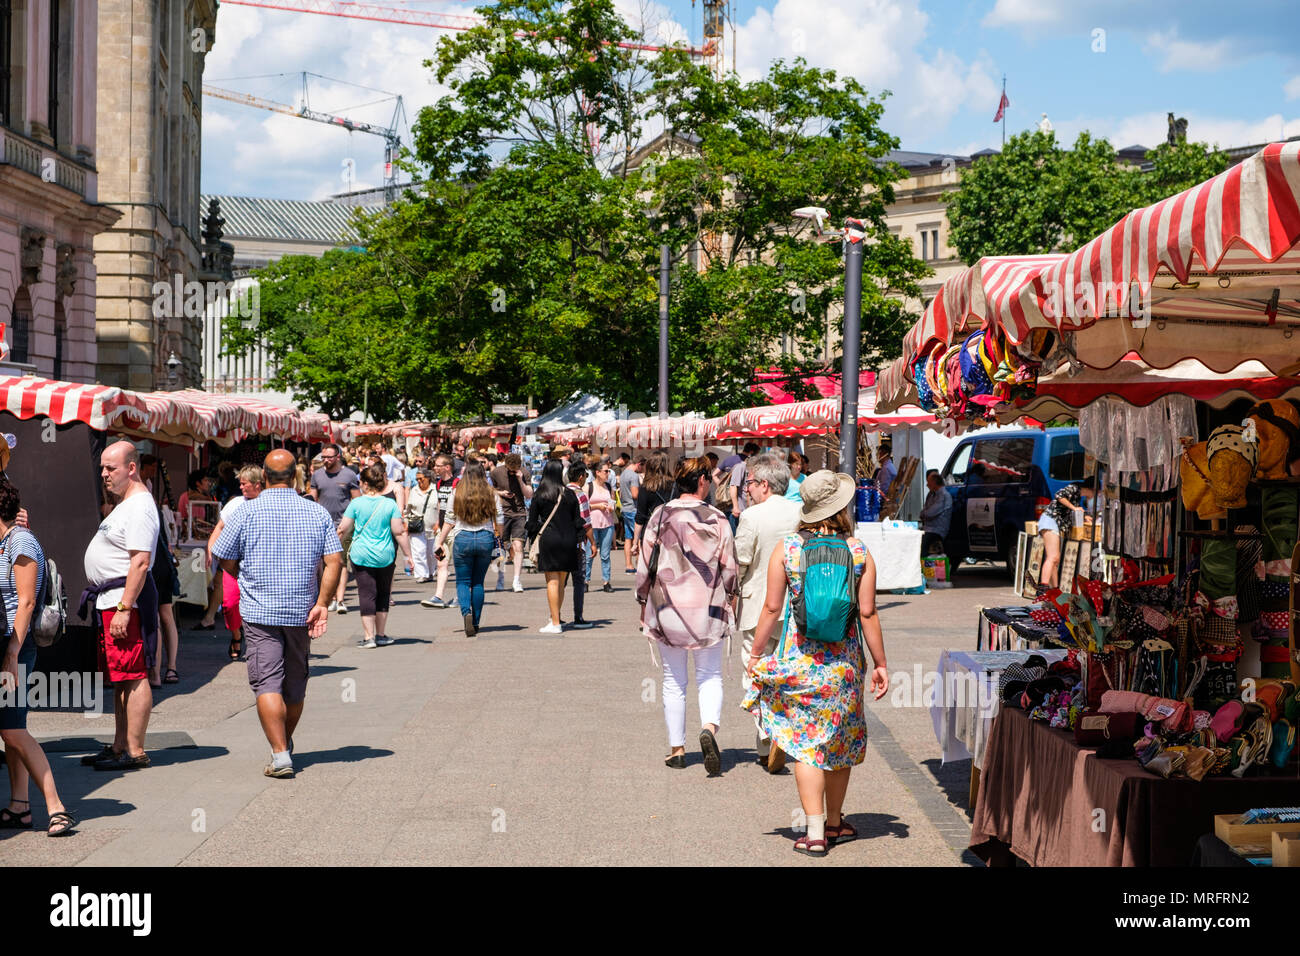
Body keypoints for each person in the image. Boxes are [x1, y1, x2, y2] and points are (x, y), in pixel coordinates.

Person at [743, 470, 890, 856]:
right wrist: (880, 663)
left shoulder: (788, 548)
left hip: (800, 660)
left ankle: (813, 832)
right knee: (838, 742)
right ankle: (836, 822)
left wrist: (757, 653)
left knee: (807, 746)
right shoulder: (858, 551)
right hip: (843, 663)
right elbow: (869, 612)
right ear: (842, 507)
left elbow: (772, 607)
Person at [212, 450, 343, 778]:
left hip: (260, 610)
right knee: (295, 682)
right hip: (302, 610)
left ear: (265, 478)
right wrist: (323, 602)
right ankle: (285, 742)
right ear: (295, 478)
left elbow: (221, 554)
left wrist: (241, 571)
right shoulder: (316, 513)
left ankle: (280, 752)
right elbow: (335, 562)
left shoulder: (246, 512)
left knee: (267, 682)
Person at [636, 457, 737, 775]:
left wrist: (642, 598)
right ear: (703, 481)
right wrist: (731, 597)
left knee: (673, 680)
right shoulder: (717, 517)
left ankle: (677, 749)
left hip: (667, 607)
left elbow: (644, 562)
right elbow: (730, 567)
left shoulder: (660, 514)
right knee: (710, 676)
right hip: (707, 608)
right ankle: (708, 727)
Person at [0, 480, 75, 835]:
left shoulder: (20, 541)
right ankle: (19, 806)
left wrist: (12, 652)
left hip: (16, 646)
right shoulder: (5, 542)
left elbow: (27, 601)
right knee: (10, 729)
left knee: (13, 729)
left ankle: (56, 806)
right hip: (8, 645)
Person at [80, 441, 158, 772]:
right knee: (120, 675)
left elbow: (140, 562)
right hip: (111, 601)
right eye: (102, 468)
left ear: (131, 468)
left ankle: (135, 750)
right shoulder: (126, 504)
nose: (104, 474)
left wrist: (125, 608)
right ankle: (118, 745)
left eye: (110, 468)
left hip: (123, 603)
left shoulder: (140, 506)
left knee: (133, 673)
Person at [733, 452, 802, 771]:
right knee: (788, 671)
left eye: (749, 483)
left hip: (757, 604)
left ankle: (766, 738)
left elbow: (741, 560)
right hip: (794, 607)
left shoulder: (752, 517)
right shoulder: (800, 512)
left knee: (755, 671)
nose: (746, 489)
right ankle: (782, 733)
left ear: (764, 484)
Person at [338, 464, 411, 648]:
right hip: (385, 554)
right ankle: (381, 634)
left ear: (364, 483)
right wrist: (408, 555)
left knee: (366, 593)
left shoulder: (356, 503)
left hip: (361, 555)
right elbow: (399, 532)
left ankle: (369, 637)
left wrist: (336, 550)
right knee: (383, 593)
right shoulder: (390, 504)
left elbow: (343, 529)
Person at [431, 463, 501, 637]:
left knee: (462, 581)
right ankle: (476, 621)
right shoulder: (491, 493)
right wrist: (500, 539)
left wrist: (440, 542)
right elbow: (499, 519)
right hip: (485, 538)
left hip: (462, 538)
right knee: (478, 582)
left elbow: (449, 519)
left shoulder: (458, 492)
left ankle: (466, 612)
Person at [206, 466, 264, 660]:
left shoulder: (267, 503)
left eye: (244, 483)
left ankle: (255, 642)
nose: (240, 487)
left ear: (257, 484)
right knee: (230, 604)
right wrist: (210, 548)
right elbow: (220, 527)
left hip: (257, 564)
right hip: (232, 563)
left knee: (257, 606)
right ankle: (236, 636)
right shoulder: (235, 503)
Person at [525, 460, 586, 633]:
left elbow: (532, 522)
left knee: (552, 581)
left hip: (550, 540)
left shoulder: (541, 494)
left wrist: (537, 532)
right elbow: (577, 520)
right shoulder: (569, 494)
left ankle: (555, 622)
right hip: (568, 540)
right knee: (561, 581)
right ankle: (554, 618)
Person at [139, 454, 180, 688]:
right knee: (165, 615)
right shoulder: (149, 496)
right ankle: (170, 667)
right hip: (162, 560)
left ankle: (155, 671)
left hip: (153, 563)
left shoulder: (140, 497)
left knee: (157, 615)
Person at [308, 443, 360, 614]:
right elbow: (313, 499)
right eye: (323, 457)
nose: (326, 460)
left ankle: (340, 600)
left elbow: (357, 501)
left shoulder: (349, 475)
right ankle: (328, 598)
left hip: (343, 524)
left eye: (329, 457)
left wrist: (353, 522)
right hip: (323, 525)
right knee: (324, 562)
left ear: (338, 457)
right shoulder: (317, 475)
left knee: (340, 560)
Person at [419, 454, 459, 609]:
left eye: (437, 465)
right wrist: (437, 522)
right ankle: (438, 596)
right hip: (442, 531)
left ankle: (459, 596)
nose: (434, 468)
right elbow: (439, 504)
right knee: (441, 563)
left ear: (447, 467)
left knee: (459, 565)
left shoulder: (457, 483)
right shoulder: (439, 483)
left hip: (455, 530)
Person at [490, 453, 532, 592]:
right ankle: (500, 579)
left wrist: (520, 480)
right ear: (505, 465)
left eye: (515, 470)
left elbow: (529, 494)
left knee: (518, 545)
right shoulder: (496, 472)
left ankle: (516, 580)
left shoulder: (524, 472)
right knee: (501, 547)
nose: (513, 472)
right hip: (502, 513)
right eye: (510, 470)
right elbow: (490, 490)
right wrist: (501, 493)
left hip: (519, 513)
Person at [632, 452, 673, 554]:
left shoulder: (646, 487)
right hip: (670, 531)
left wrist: (635, 542)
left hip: (650, 531)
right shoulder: (674, 486)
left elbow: (640, 516)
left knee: (650, 565)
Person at [586, 459, 616, 592]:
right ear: (597, 472)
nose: (608, 473)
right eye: (606, 471)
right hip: (592, 525)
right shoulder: (588, 486)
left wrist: (611, 507)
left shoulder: (608, 487)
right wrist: (597, 506)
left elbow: (613, 502)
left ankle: (606, 582)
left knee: (605, 555)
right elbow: (583, 505)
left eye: (608, 471)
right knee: (589, 554)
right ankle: (585, 581)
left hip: (607, 524)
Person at [405, 469, 438, 583]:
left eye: (421, 478)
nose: (419, 481)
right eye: (417, 479)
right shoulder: (414, 490)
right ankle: (421, 574)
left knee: (433, 552)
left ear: (428, 478)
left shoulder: (435, 489)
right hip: (417, 525)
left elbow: (440, 508)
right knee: (418, 551)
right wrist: (406, 522)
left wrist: (439, 522)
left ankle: (432, 571)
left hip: (433, 526)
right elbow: (408, 509)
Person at [725, 442, 760, 532]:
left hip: (749, 512)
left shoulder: (754, 469)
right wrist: (736, 507)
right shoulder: (741, 467)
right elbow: (733, 486)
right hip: (739, 512)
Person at [920, 469, 953, 557]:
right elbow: (924, 511)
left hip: (936, 531)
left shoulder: (944, 496)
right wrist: (924, 513)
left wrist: (924, 514)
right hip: (928, 528)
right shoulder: (931, 495)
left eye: (929, 482)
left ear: (934, 483)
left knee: (922, 544)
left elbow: (930, 513)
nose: (927, 485)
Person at [619, 455, 642, 574]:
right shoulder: (633, 476)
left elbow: (622, 493)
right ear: (638, 464)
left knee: (628, 538)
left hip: (625, 508)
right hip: (633, 508)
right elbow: (635, 494)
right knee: (638, 537)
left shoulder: (623, 474)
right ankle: (640, 563)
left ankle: (629, 565)